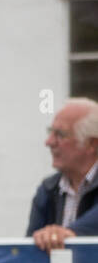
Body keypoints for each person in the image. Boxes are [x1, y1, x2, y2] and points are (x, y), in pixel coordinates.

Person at [29, 97, 98, 252]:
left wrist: (66, 234)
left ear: (91, 144)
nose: (49, 142)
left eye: (60, 134)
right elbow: (29, 256)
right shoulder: (48, 189)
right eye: (50, 132)